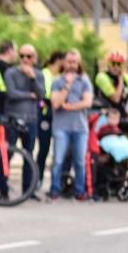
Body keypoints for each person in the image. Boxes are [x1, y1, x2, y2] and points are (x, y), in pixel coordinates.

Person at [48, 49, 93, 201]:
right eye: (69, 61)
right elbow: (55, 103)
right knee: (58, 160)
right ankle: (55, 190)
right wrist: (67, 85)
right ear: (64, 63)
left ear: (78, 63)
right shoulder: (57, 82)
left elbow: (88, 102)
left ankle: (80, 191)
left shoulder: (84, 81)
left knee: (80, 162)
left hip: (80, 128)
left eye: (75, 62)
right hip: (61, 127)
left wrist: (69, 106)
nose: (72, 65)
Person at [4, 44, 45, 196]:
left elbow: (41, 94)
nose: (25, 60)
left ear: (34, 58)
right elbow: (11, 94)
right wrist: (29, 95)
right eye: (21, 56)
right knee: (8, 153)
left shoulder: (38, 75)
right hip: (13, 118)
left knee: (29, 155)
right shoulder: (11, 72)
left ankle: (28, 190)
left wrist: (32, 78)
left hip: (31, 119)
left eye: (28, 56)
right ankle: (2, 188)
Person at [37, 51, 64, 192]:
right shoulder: (44, 73)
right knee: (44, 150)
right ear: (59, 60)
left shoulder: (60, 76)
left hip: (60, 117)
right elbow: (43, 95)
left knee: (60, 152)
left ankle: (59, 183)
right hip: (46, 116)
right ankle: (38, 180)